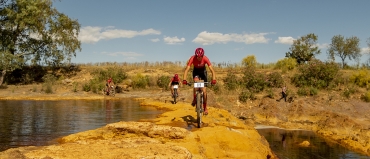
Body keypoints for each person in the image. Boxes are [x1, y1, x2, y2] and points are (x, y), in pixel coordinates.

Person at [182, 47, 216, 115]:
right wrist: (184, 80)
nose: (199, 58)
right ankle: (195, 98)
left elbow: (212, 70)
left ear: (203, 56)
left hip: (203, 72)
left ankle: (205, 107)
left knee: (204, 91)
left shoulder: (205, 58)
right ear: (196, 55)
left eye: (200, 57)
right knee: (196, 84)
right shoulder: (192, 58)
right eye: (198, 56)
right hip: (196, 72)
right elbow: (187, 69)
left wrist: (214, 79)